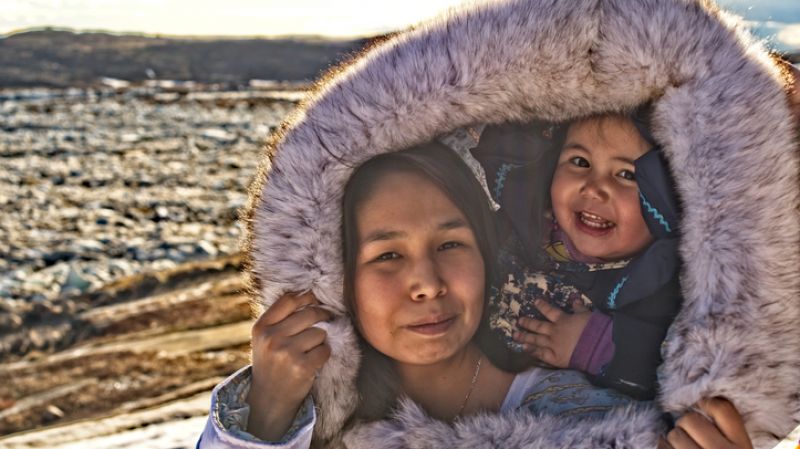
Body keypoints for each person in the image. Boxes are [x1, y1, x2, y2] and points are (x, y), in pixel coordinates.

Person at [198, 141, 653, 448]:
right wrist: (266, 412)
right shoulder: (305, 423)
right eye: (387, 255)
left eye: (451, 245)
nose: (428, 284)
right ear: (336, 279)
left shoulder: (585, 419)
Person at [479, 110, 682, 400]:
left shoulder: (660, 285)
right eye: (580, 162)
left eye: (627, 174)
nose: (594, 188)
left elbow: (675, 373)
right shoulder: (517, 226)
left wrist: (596, 346)